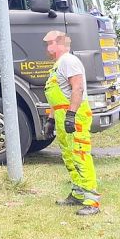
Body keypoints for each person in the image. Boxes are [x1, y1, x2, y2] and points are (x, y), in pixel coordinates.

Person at [42, 30, 100, 216]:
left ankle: (92, 200)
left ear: (58, 44)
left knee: (80, 154)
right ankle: (78, 193)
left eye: (49, 44)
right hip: (61, 116)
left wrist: (71, 115)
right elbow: (55, 98)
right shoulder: (56, 67)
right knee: (69, 156)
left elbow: (78, 88)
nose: (47, 48)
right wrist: (51, 120)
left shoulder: (69, 61)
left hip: (75, 115)